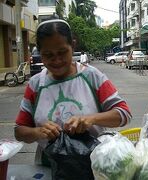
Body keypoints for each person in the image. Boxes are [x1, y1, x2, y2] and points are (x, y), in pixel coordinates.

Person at [14, 19, 132, 165]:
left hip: (94, 166)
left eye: (62, 52)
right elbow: (19, 131)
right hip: (49, 167)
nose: (56, 60)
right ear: (40, 53)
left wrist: (90, 119)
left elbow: (124, 114)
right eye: (48, 55)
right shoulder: (36, 84)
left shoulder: (91, 76)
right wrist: (37, 132)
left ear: (73, 46)